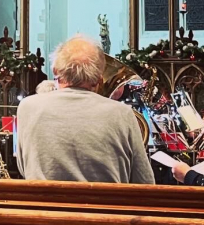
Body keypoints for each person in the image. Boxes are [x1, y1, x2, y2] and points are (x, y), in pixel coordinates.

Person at [16, 35, 154, 184]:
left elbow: (23, 167)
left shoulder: (27, 107)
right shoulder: (122, 113)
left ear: (56, 71)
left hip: (44, 205)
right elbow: (144, 180)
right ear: (99, 79)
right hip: (105, 206)